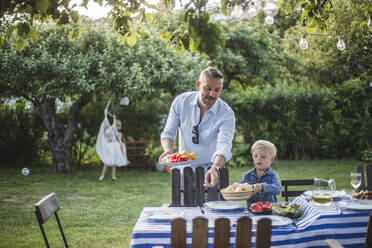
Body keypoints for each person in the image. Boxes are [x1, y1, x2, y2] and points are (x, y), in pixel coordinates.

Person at [159, 67, 235, 187]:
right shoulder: (181, 102)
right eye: (208, 88)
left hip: (212, 172)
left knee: (212, 205)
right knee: (183, 205)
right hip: (183, 171)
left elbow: (224, 145)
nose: (212, 94)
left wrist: (215, 167)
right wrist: (168, 151)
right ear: (198, 85)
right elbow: (169, 133)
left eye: (217, 90)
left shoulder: (226, 113)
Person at [241, 140, 281, 207]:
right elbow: (241, 191)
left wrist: (262, 187)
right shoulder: (247, 176)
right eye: (255, 156)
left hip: (269, 211)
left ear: (272, 159)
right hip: (252, 211)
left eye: (263, 156)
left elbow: (277, 189)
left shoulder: (273, 175)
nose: (258, 159)